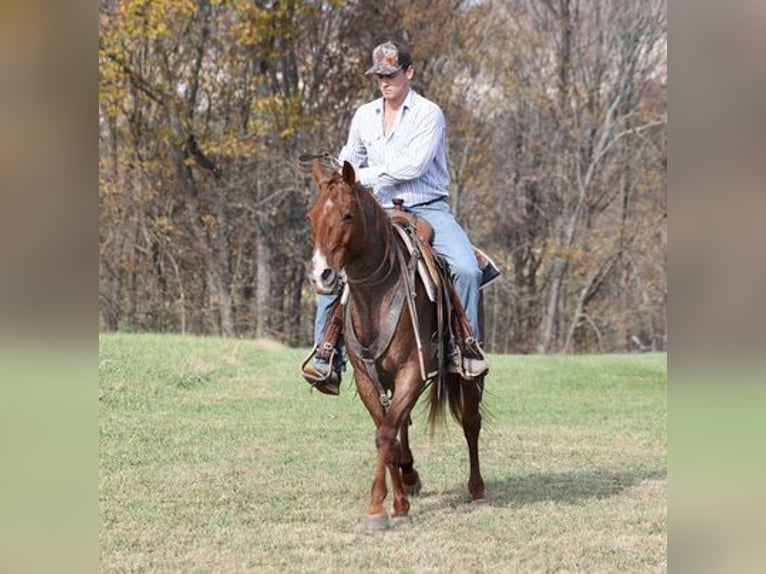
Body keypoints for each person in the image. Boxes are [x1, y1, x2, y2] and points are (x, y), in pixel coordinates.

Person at [302, 40, 489, 393]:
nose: (384, 82)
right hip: (377, 211)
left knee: (465, 268)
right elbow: (349, 158)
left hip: (428, 207)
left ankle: (464, 346)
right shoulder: (364, 115)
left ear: (409, 73)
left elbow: (414, 166)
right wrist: (338, 176)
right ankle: (326, 354)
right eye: (379, 76)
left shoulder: (428, 113)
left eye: (391, 74)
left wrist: (362, 175)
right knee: (332, 262)